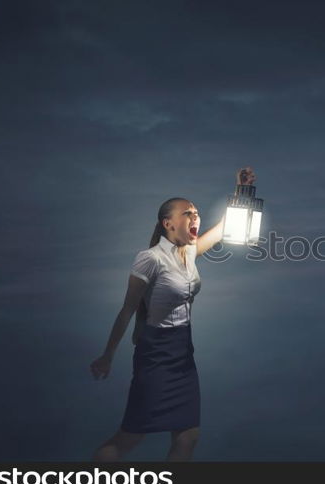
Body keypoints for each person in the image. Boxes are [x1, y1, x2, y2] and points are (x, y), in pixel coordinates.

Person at [89, 167, 256, 461]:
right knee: (130, 436)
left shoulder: (188, 252)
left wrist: (241, 192)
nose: (195, 216)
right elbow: (127, 309)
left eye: (196, 212)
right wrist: (107, 355)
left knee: (188, 436)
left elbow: (222, 229)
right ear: (168, 223)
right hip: (156, 353)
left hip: (183, 354)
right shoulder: (149, 259)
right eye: (187, 213)